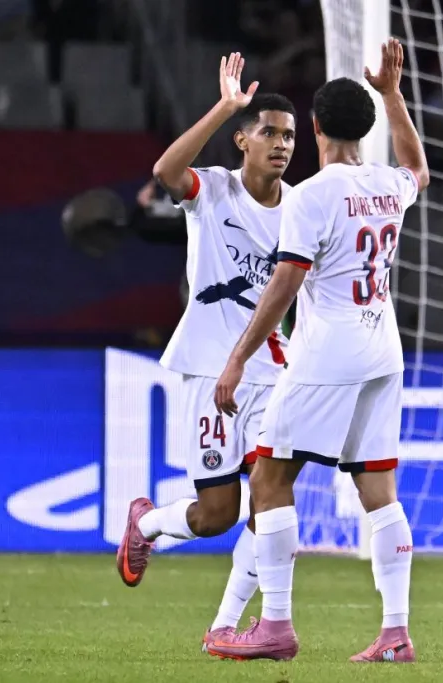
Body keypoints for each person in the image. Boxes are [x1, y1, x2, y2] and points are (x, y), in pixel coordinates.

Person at [208, 38, 429, 663]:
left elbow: (286, 282)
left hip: (330, 350)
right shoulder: (389, 184)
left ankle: (274, 626)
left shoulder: (310, 195)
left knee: (270, 478)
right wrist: (394, 95)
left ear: (313, 128)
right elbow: (420, 169)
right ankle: (395, 632)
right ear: (365, 127)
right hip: (385, 348)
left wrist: (236, 359)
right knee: (379, 490)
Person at [115, 52, 298, 652]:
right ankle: (145, 523)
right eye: (269, 132)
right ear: (242, 139)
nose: (281, 143)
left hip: (273, 370)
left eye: (290, 135)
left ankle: (226, 624)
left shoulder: (300, 209)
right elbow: (166, 170)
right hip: (205, 369)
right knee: (216, 514)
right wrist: (224, 106)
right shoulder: (212, 190)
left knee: (269, 499)